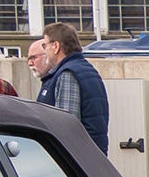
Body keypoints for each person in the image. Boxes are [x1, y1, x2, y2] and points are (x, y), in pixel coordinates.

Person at [37, 22, 108, 151]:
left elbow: (66, 128)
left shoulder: (67, 74)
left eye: (45, 45)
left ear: (56, 46)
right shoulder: (85, 69)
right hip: (90, 155)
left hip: (77, 158)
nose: (44, 50)